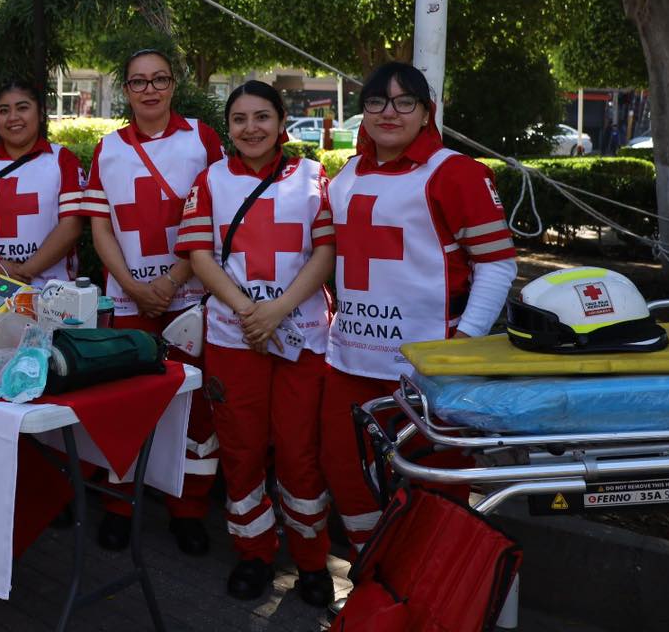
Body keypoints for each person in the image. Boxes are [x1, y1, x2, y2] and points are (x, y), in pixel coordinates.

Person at [320, 61, 517, 556]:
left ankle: (427, 594)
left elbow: (496, 265)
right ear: (362, 111)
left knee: (438, 485)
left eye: (404, 102)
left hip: (427, 367)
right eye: (376, 102)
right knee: (349, 474)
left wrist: (462, 346)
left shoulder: (456, 172)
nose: (390, 113)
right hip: (349, 359)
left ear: (427, 112)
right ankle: (373, 575)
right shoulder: (346, 174)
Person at [177, 80, 334, 605]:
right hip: (232, 337)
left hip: (302, 337)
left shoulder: (315, 177)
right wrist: (250, 313)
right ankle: (254, 555)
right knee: (241, 452)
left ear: (282, 122)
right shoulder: (210, 179)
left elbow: (326, 252)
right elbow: (199, 255)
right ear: (229, 127)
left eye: (261, 116)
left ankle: (312, 562)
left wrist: (278, 310)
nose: (251, 128)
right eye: (240, 119)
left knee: (299, 452)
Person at [79, 49, 224, 554]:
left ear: (173, 84)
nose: (149, 90)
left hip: (191, 298)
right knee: (126, 407)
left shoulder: (201, 139)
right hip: (127, 298)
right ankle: (119, 504)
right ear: (126, 89)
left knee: (195, 411)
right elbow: (100, 228)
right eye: (138, 81)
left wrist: (172, 279)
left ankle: (189, 510)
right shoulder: (108, 149)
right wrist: (137, 287)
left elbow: (217, 216)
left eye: (159, 79)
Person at [0, 81, 85, 285]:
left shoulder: (62, 160)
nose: (13, 117)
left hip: (51, 292)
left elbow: (72, 225)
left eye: (22, 108)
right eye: (4, 110)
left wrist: (24, 272)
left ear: (40, 113)